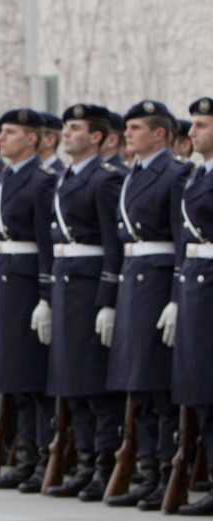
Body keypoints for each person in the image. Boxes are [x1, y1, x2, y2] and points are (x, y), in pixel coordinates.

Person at [105, 100, 192, 510]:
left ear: (160, 134)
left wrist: (176, 297)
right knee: (137, 386)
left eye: (137, 127)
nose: (129, 134)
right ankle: (146, 471)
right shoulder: (132, 174)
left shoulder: (175, 174)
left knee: (157, 384)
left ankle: (166, 469)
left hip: (157, 282)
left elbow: (183, 241)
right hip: (133, 279)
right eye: (127, 127)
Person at [42, 103, 125, 501]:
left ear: (97, 137)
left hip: (89, 288)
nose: (67, 134)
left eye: (75, 128)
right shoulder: (65, 177)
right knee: (71, 382)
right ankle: (85, 459)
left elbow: (113, 245)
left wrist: (107, 298)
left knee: (94, 384)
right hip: (66, 285)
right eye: (66, 127)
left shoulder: (105, 180)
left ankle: (103, 464)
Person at [0, 109, 56, 491]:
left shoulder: (41, 181)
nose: (0, 139)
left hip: (25, 283)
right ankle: (24, 457)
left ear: (33, 139)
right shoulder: (3, 178)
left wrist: (45, 294)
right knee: (14, 376)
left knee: (33, 377)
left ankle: (42, 456)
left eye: (10, 133)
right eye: (1, 132)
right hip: (4, 280)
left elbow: (46, 243)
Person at [172, 98, 213, 515]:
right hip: (196, 286)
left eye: (202, 124)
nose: (193, 131)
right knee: (201, 387)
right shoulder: (197, 174)